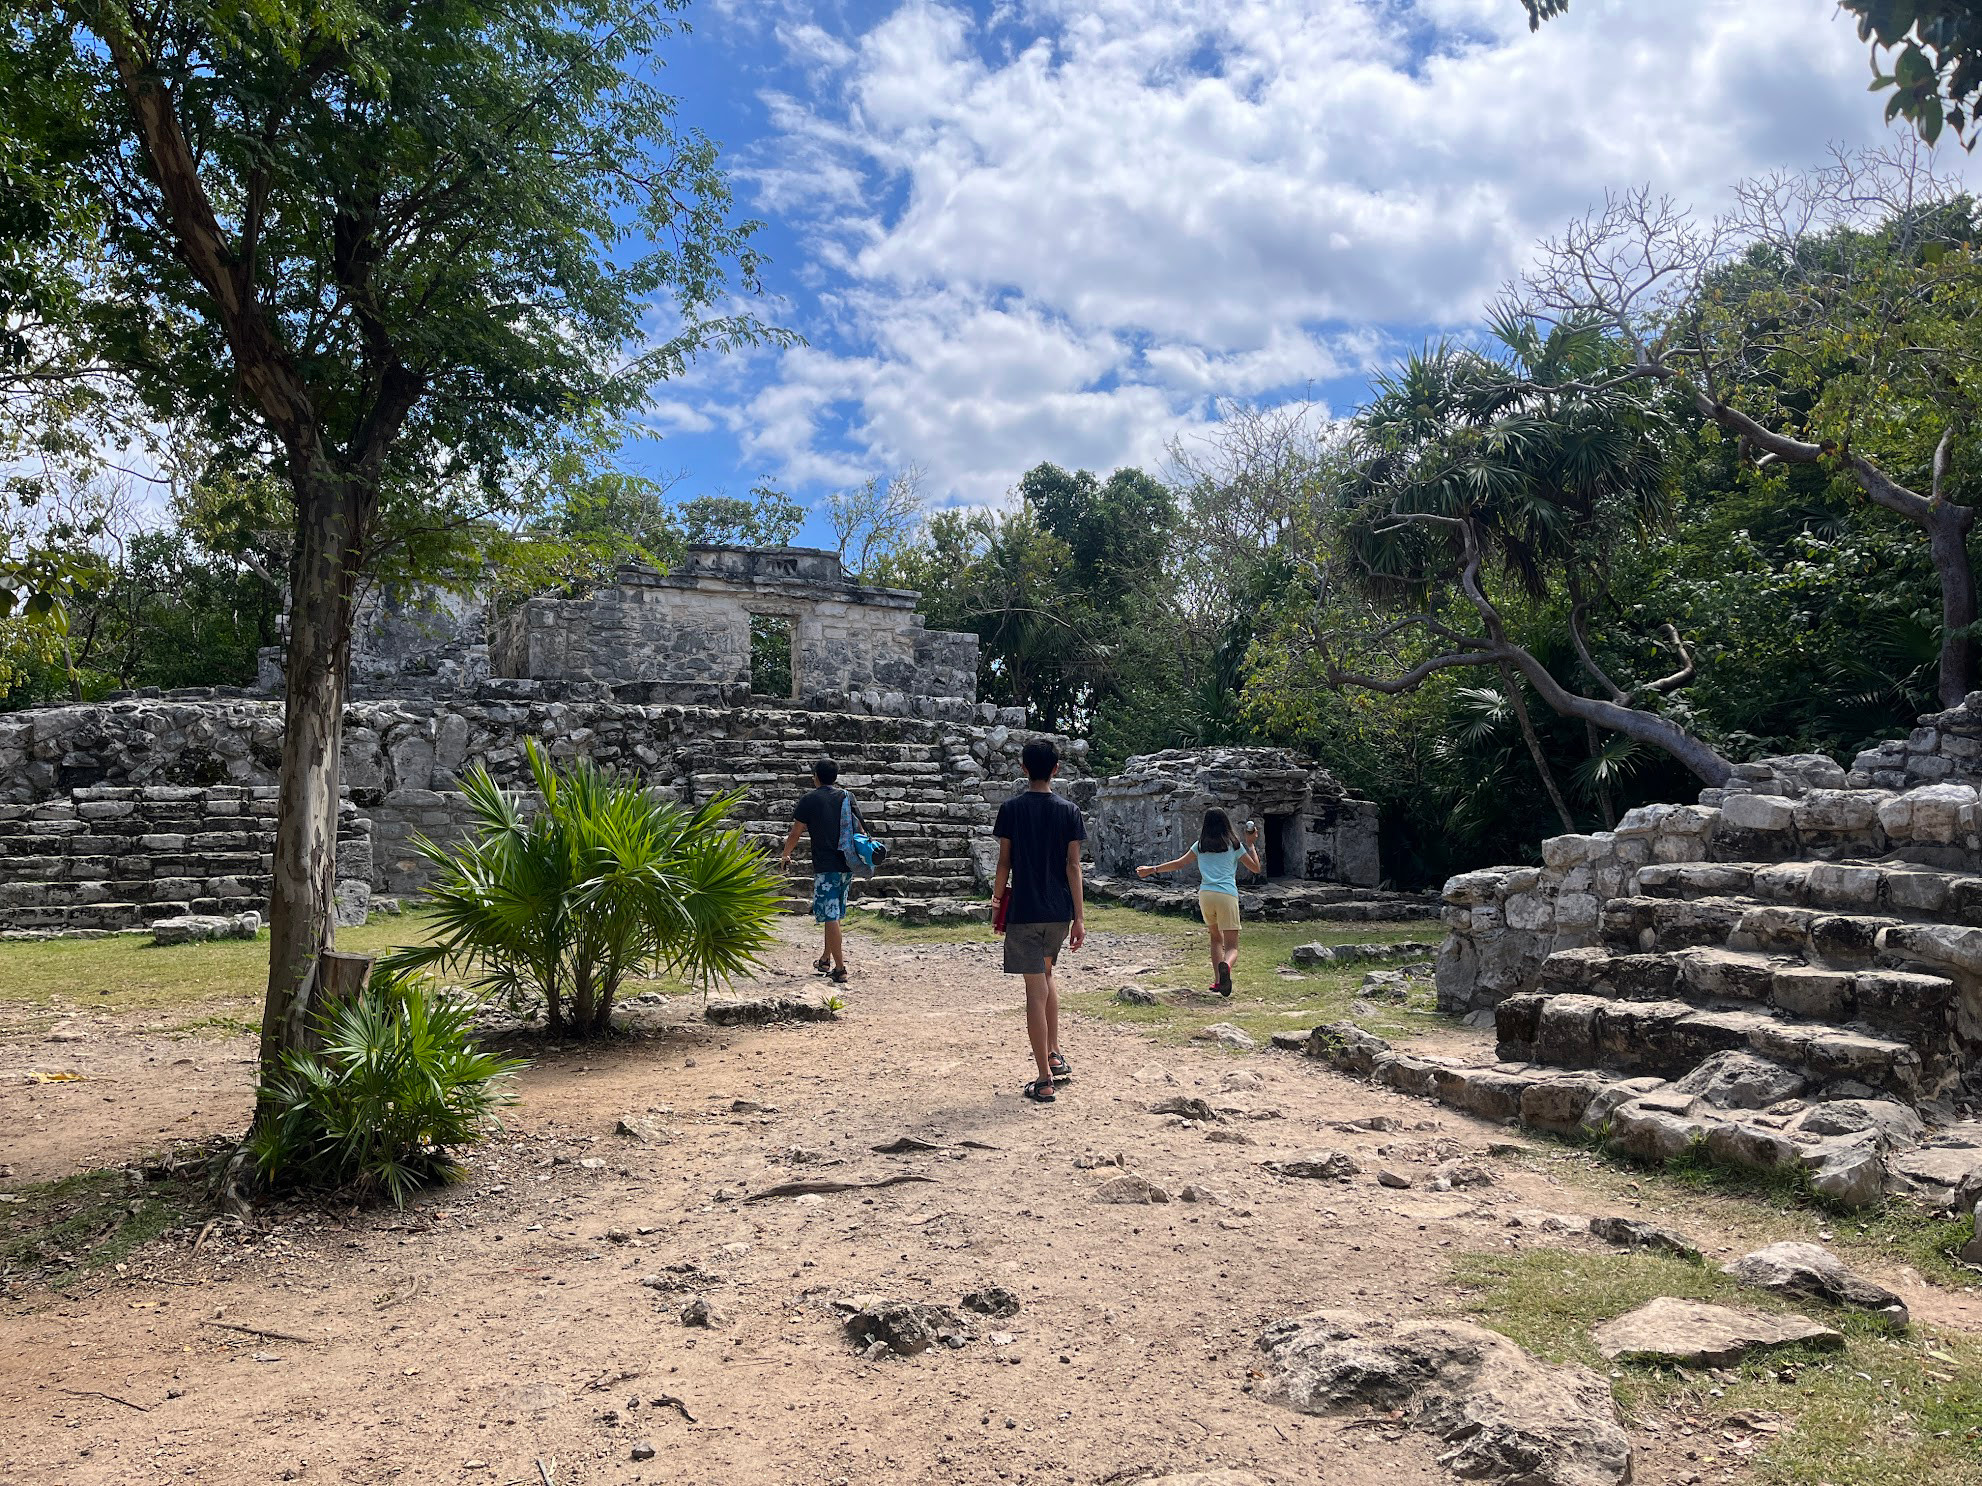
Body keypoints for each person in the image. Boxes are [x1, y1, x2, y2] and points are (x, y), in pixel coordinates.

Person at [992, 738, 1087, 1104]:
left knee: (1035, 989)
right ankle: (1054, 1052)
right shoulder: (1069, 811)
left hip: (1026, 910)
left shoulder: (1011, 809)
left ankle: (1044, 1078)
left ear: (1023, 768)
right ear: (1056, 769)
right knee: (1046, 976)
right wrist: (1079, 917)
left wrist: (998, 898)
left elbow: (1004, 862)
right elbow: (1073, 866)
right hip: (1059, 912)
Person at [1135, 808, 1262, 997]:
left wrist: (1151, 869)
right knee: (1232, 946)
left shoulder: (1200, 845)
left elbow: (1178, 864)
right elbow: (1256, 868)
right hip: (1226, 895)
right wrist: (1251, 844)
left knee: (1215, 938)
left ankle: (1219, 981)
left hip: (1206, 895)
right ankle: (1226, 966)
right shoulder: (1235, 845)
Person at [780, 757, 857, 984]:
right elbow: (858, 826)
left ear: (815, 777)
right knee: (833, 914)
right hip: (846, 863)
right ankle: (825, 959)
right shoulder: (846, 796)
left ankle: (840, 968)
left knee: (830, 914)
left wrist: (785, 854)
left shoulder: (809, 799)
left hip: (826, 865)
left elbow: (796, 833)